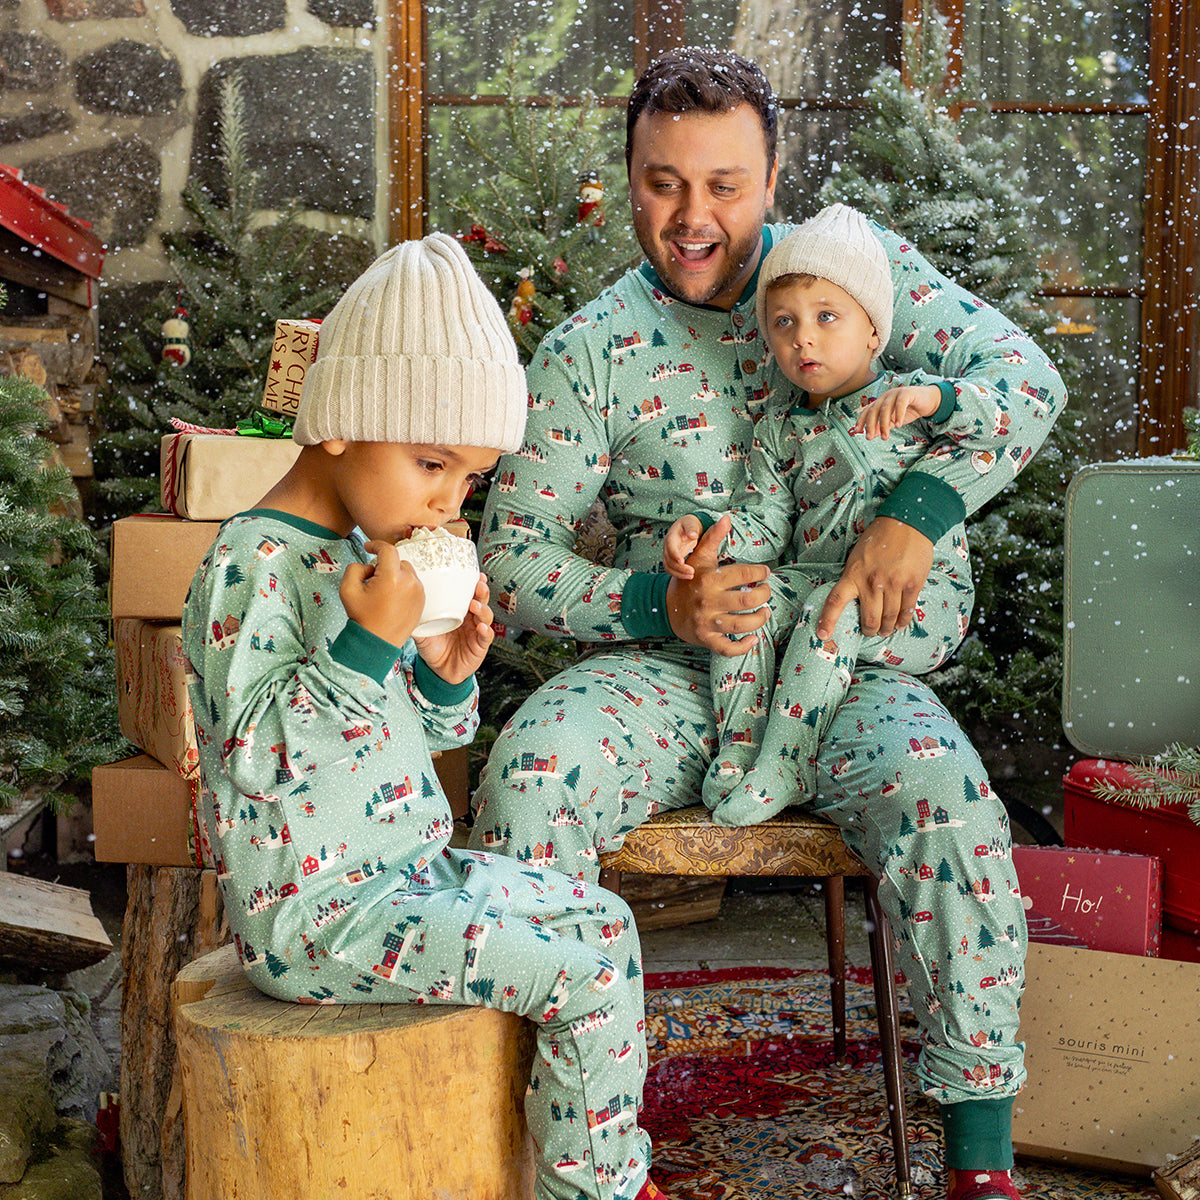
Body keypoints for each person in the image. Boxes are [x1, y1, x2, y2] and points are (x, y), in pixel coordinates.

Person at [468, 47, 1066, 1200]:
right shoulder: (590, 350)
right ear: (629, 176)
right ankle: (587, 1164)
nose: (693, 219)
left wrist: (918, 516)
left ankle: (980, 1164)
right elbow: (513, 559)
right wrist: (656, 601)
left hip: (849, 672)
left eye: (725, 185)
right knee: (527, 777)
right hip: (669, 677)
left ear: (776, 170)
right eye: (662, 184)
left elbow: (1024, 379)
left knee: (944, 791)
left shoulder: (861, 270)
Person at [181, 233, 670, 1200]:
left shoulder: (368, 554)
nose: (449, 503)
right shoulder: (252, 563)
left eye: (470, 479)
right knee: (579, 980)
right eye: (432, 463)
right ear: (340, 424)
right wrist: (366, 646)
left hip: (409, 872)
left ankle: (598, 1165)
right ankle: (599, 1192)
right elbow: (257, 757)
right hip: (320, 918)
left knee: (606, 922)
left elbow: (394, 743)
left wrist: (443, 676)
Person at [662, 203, 975, 827]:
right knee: (742, 596)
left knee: (825, 608)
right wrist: (708, 533)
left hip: (919, 603)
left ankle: (788, 760)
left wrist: (936, 397)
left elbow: (993, 424)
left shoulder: (911, 403)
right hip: (818, 584)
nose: (802, 336)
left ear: (873, 332)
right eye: (784, 322)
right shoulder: (781, 430)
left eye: (826, 317)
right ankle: (742, 748)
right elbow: (765, 523)